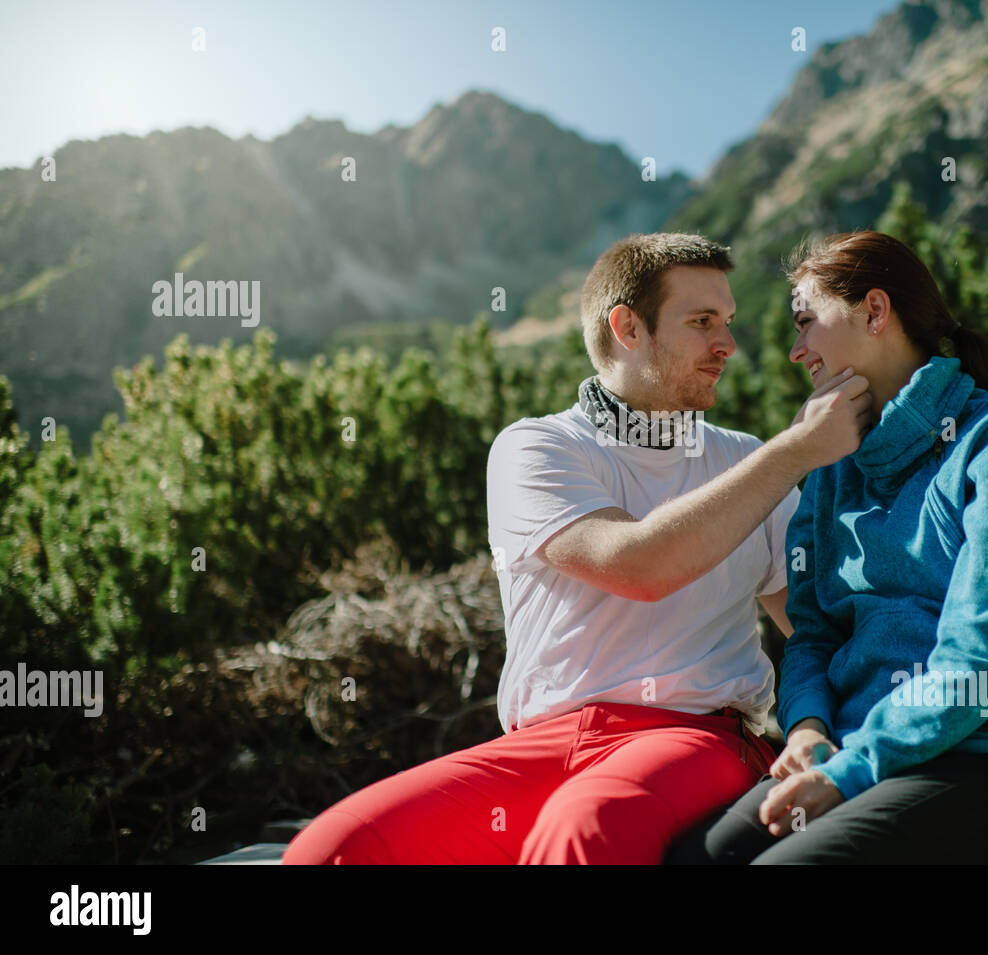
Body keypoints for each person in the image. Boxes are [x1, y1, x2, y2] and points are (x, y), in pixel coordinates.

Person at [282, 232, 873, 864]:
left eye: (727, 322)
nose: (727, 344)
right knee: (334, 847)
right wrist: (797, 450)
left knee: (584, 825)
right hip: (542, 744)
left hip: (699, 737)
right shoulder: (536, 448)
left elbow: (812, 629)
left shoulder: (747, 458)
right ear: (627, 327)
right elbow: (639, 564)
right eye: (702, 322)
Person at [667, 230, 988, 865]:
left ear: (875, 311)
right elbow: (812, 634)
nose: (795, 349)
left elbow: (987, 658)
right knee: (694, 859)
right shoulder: (832, 470)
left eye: (806, 322)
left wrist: (848, 772)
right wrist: (809, 726)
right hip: (856, 759)